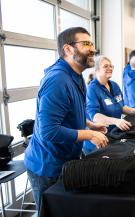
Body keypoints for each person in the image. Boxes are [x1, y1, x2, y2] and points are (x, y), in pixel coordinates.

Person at [24, 27, 109, 211]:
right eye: (86, 43)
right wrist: (88, 135)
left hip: (65, 161)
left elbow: (70, 110)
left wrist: (89, 124)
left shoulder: (77, 76)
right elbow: (48, 131)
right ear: (68, 49)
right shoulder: (57, 80)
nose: (93, 49)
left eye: (92, 43)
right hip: (47, 167)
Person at [83, 56, 135, 154]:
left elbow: (121, 107)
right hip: (97, 142)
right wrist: (116, 121)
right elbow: (95, 116)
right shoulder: (92, 89)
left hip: (113, 137)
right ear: (96, 70)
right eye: (106, 66)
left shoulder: (114, 85)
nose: (110, 68)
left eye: (111, 66)